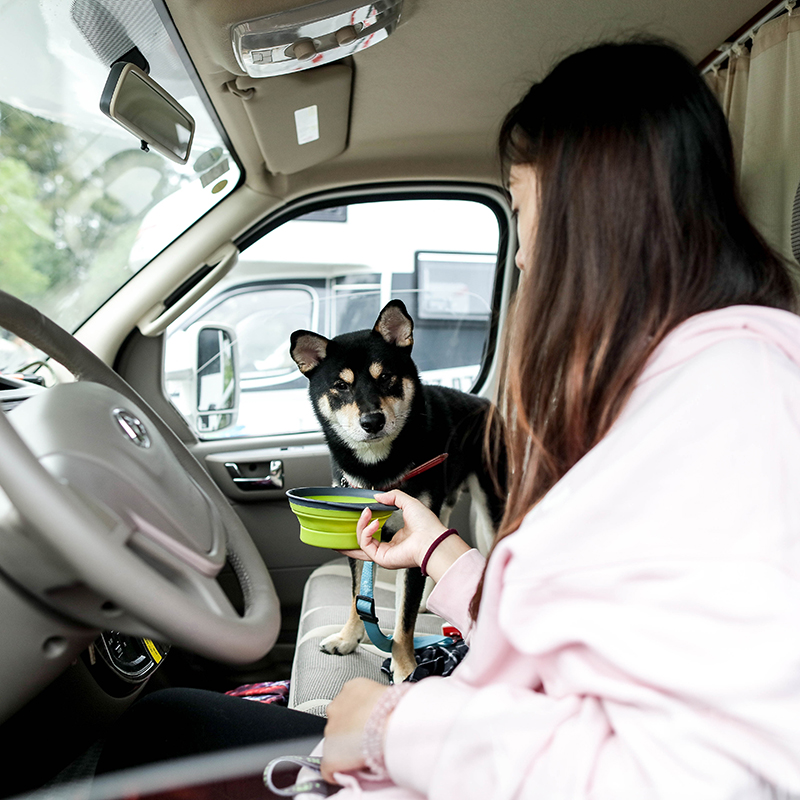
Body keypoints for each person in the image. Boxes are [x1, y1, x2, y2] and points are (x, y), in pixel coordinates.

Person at [101, 37, 800, 798]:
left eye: (524, 212)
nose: (526, 257)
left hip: (436, 759)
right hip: (456, 744)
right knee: (164, 725)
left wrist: (391, 726)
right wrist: (447, 560)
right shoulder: (667, 388)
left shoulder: (738, 398)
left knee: (157, 737)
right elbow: (585, 631)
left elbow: (701, 778)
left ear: (593, 217)